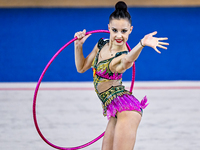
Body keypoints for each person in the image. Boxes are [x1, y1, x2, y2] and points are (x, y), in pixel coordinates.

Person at [74, 1, 169, 150]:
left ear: (130, 30)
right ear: (108, 29)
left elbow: (127, 61)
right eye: (115, 30)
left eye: (124, 31)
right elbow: (81, 67)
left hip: (127, 110)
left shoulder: (122, 55)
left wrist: (141, 44)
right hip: (115, 109)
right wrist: (78, 46)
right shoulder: (101, 44)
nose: (119, 36)